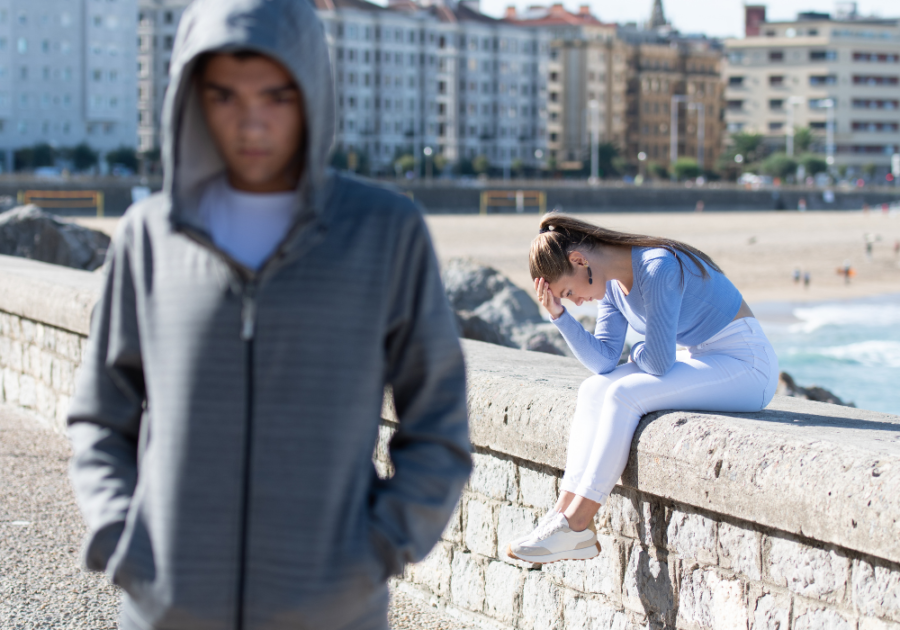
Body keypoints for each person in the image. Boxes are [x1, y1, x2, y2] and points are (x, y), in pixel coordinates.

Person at [66, 1, 471, 628]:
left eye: (276, 97)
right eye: (225, 96)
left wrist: (377, 549)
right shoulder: (150, 236)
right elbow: (100, 412)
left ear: (311, 92)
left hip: (333, 612)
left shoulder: (384, 233)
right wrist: (124, 539)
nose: (251, 123)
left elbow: (439, 422)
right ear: (192, 96)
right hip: (169, 611)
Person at [505, 214, 778, 563]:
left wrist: (637, 352)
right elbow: (604, 361)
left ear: (579, 261)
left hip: (747, 364)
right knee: (592, 390)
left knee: (623, 395)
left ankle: (578, 524)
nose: (576, 301)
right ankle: (560, 515)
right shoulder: (614, 288)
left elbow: (659, 362)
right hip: (704, 358)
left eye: (569, 292)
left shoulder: (657, 266)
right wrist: (559, 316)